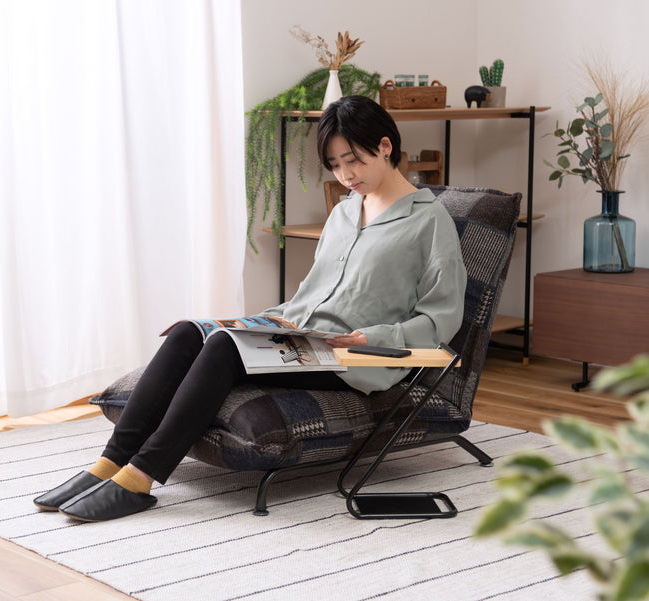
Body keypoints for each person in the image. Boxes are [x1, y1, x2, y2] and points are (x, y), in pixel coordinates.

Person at [34, 95, 467, 522]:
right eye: (335, 164)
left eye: (352, 160)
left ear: (386, 146)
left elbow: (441, 320)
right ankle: (108, 464)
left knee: (224, 348)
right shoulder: (344, 213)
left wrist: (370, 337)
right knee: (190, 332)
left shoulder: (429, 221)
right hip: (305, 340)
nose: (344, 174)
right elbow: (314, 295)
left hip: (354, 357)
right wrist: (268, 319)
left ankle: (139, 478)